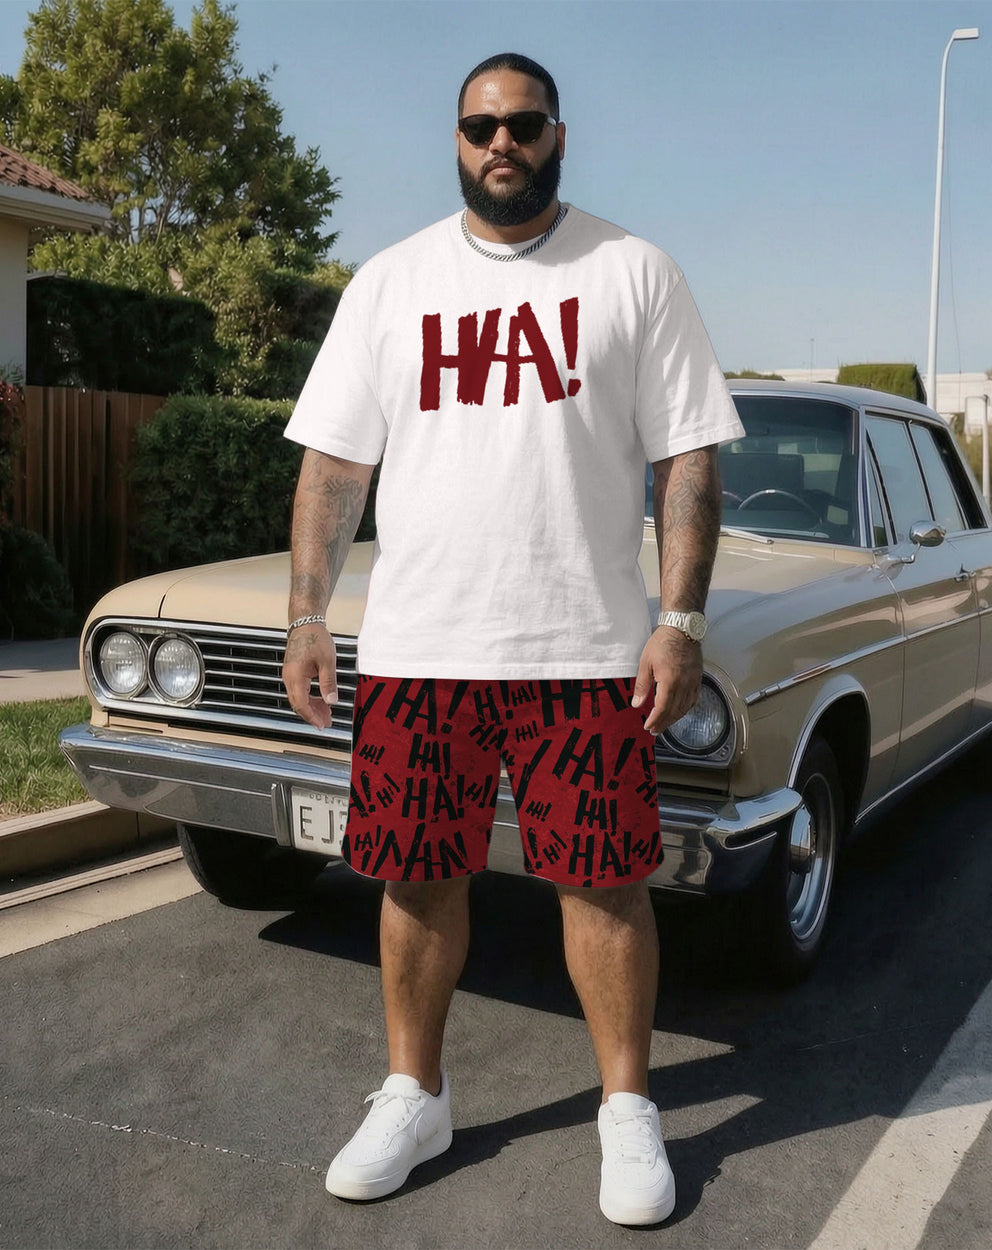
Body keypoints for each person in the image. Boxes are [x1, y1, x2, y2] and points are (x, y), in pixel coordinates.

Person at [281, 51, 744, 1227]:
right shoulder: (389, 283)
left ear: (557, 137)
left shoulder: (633, 272)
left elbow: (688, 460)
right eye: (481, 125)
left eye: (524, 123)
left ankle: (627, 1107)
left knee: (605, 884)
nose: (502, 142)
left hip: (584, 651)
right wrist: (307, 614)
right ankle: (413, 1093)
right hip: (419, 650)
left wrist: (679, 620)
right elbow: (334, 466)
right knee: (414, 876)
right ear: (455, 139)